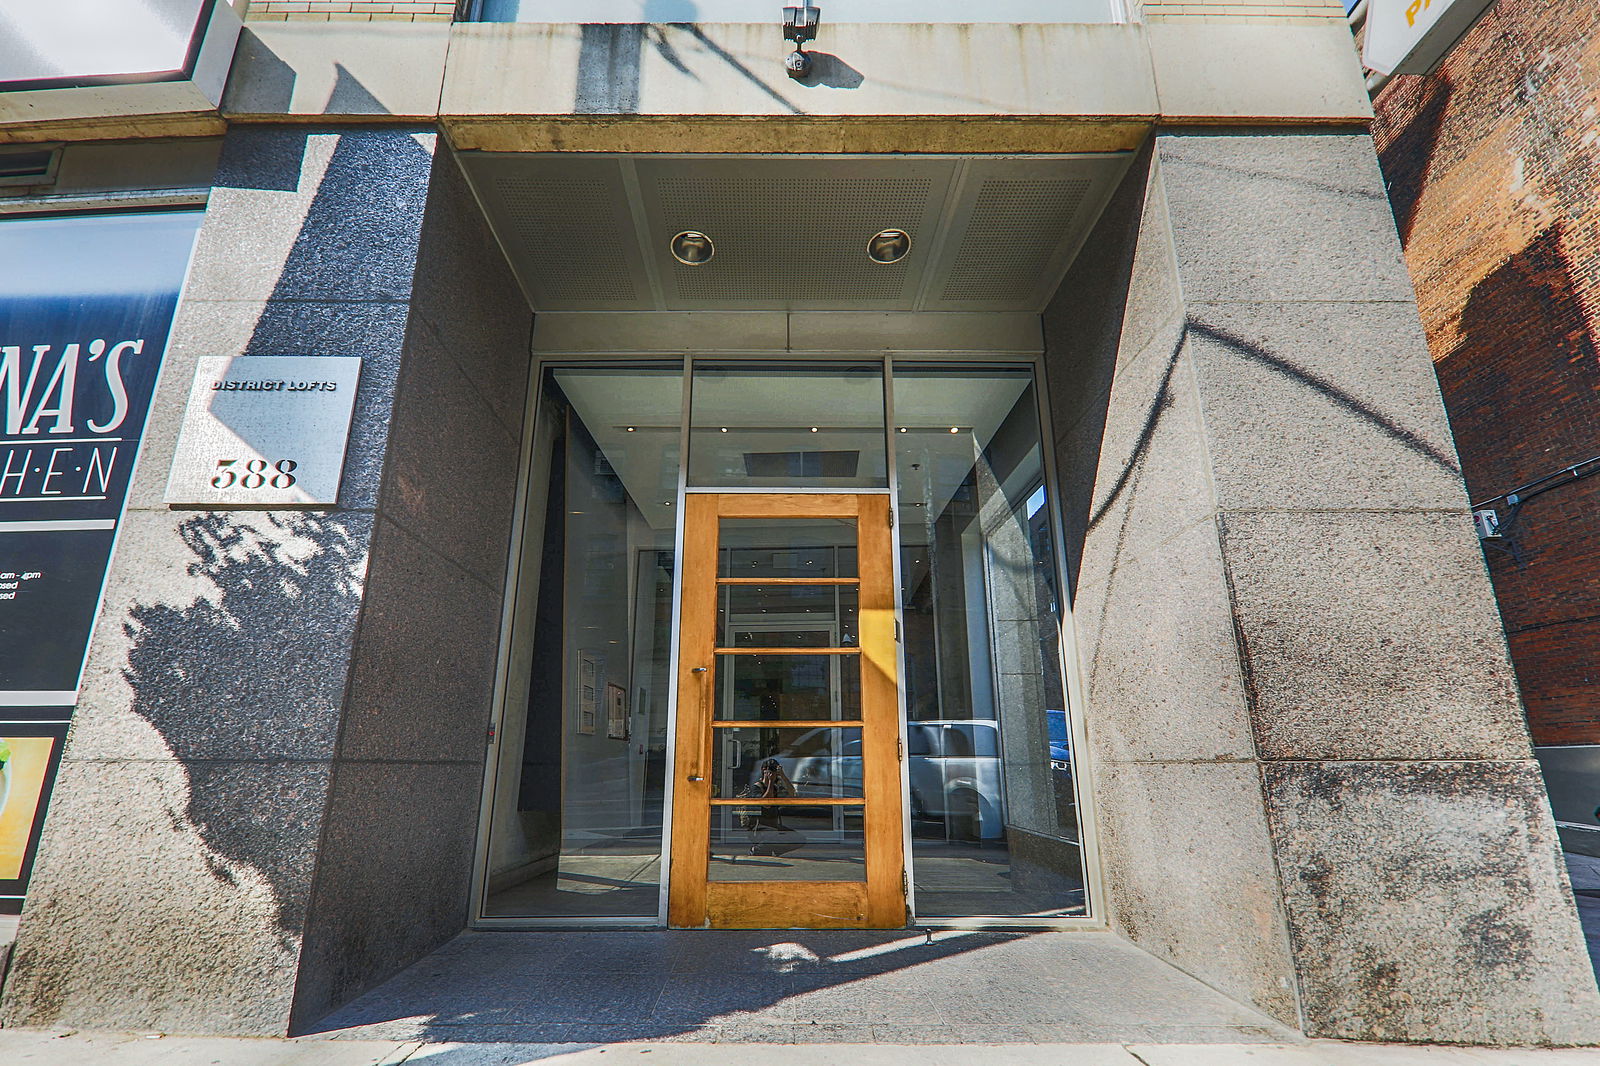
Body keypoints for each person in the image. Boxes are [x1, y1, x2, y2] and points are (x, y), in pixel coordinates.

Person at [739, 758, 804, 856]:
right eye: (770, 771)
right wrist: (770, 782)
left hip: (773, 826)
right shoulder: (756, 788)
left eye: (774, 771)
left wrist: (783, 776)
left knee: (799, 838)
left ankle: (775, 849)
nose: (773, 774)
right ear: (763, 771)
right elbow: (766, 803)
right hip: (758, 828)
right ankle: (756, 849)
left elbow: (793, 795)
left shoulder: (776, 787)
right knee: (773, 836)